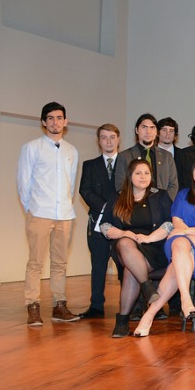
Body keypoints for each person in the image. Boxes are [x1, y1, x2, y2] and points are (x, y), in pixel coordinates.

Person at [133, 158, 195, 337]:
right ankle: (186, 298)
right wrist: (192, 237)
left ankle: (148, 316)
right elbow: (176, 221)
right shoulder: (183, 194)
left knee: (174, 267)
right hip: (184, 239)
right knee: (179, 244)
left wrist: (187, 233)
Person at [18, 102, 80, 326]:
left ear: (66, 121)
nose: (55, 122)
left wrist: (65, 204)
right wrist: (31, 209)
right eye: (51, 118)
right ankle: (32, 306)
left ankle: (59, 305)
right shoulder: (32, 147)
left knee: (60, 263)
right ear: (44, 122)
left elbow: (70, 184)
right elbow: (23, 183)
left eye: (59, 117)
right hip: (39, 212)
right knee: (35, 262)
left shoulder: (71, 150)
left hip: (64, 213)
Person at [99, 159, 173, 337]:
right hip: (126, 248)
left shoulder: (160, 195)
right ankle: (147, 287)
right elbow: (104, 225)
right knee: (125, 244)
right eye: (138, 173)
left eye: (146, 173)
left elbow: (170, 224)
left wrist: (149, 238)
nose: (143, 177)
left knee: (130, 271)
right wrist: (123, 233)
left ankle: (122, 321)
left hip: (153, 247)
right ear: (130, 176)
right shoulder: (117, 197)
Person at [78, 123, 121, 319]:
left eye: (112, 137)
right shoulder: (90, 165)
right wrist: (106, 207)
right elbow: (84, 191)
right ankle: (96, 306)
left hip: (122, 222)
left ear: (118, 139)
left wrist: (117, 209)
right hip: (97, 222)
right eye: (104, 137)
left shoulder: (127, 164)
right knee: (98, 266)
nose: (108, 141)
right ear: (99, 141)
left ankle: (131, 306)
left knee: (125, 266)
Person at [115, 113, 179, 199]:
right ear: (137, 130)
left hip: (161, 207)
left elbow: (173, 185)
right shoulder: (125, 156)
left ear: (157, 132)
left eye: (152, 128)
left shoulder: (167, 156)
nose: (148, 132)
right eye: (144, 127)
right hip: (134, 206)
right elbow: (120, 186)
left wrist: (164, 202)